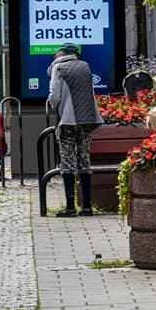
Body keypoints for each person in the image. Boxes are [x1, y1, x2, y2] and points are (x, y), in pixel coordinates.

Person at [47, 44, 102, 216]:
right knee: (84, 160)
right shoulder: (85, 67)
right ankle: (86, 206)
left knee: (67, 162)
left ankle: (70, 206)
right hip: (87, 120)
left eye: (56, 53)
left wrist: (52, 104)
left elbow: (55, 96)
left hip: (68, 120)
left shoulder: (58, 67)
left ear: (62, 53)